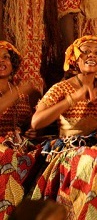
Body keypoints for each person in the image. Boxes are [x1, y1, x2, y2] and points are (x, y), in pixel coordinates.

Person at [30, 36, 97, 219]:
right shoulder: (61, 89)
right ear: (75, 59)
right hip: (69, 151)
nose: (91, 55)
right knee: (94, 157)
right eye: (85, 51)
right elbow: (37, 122)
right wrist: (73, 99)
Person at [0, 41, 39, 220]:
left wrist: (29, 130)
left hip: (18, 143)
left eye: (5, 57)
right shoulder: (18, 91)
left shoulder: (21, 93)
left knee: (44, 155)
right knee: (8, 157)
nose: (1, 61)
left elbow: (26, 122)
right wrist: (16, 93)